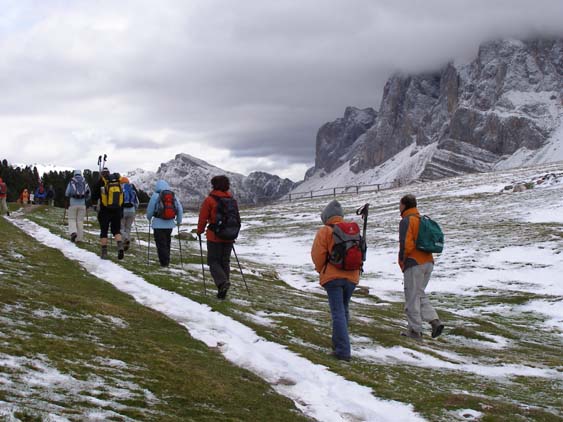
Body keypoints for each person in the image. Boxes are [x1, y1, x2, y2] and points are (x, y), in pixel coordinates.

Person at [311, 200, 360, 361]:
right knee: (344, 310)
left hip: (333, 278)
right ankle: (339, 343)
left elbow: (317, 255)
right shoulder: (352, 231)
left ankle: (342, 351)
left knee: (337, 312)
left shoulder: (325, 231)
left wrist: (322, 270)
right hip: (352, 277)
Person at [398, 194, 444, 341]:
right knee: (419, 293)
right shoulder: (422, 219)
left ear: (405, 205)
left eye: (400, 205)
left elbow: (407, 244)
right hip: (428, 261)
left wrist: (402, 261)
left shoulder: (407, 221)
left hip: (414, 262)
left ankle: (415, 331)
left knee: (411, 297)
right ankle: (434, 321)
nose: (399, 208)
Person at [197, 175, 239, 299]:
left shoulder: (210, 200)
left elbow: (203, 217)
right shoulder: (231, 200)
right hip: (229, 235)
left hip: (214, 236)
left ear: (214, 185)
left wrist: (199, 231)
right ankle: (223, 290)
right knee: (225, 261)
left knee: (213, 261)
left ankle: (222, 283)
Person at [146, 180, 183, 267]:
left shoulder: (155, 196)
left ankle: (164, 262)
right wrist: (178, 221)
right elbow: (180, 209)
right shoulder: (173, 196)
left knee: (160, 243)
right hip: (170, 224)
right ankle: (166, 260)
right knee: (167, 242)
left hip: (158, 224)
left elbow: (150, 210)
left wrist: (149, 218)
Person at [91, 168, 125, 260]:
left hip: (104, 211)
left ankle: (104, 252)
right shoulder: (118, 182)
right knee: (116, 230)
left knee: (104, 231)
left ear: (102, 174)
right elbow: (122, 197)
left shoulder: (101, 182)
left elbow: (94, 196)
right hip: (117, 210)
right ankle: (120, 246)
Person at [65, 169, 91, 243]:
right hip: (82, 204)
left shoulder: (72, 181)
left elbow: (67, 193)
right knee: (80, 221)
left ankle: (73, 232)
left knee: (72, 219)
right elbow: (89, 194)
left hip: (73, 203)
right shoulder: (84, 182)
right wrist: (86, 199)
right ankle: (79, 239)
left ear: (74, 174)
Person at [120, 176, 139, 251]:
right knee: (128, 228)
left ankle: (125, 239)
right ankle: (125, 243)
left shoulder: (121, 190)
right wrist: (134, 209)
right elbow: (137, 202)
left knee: (121, 228)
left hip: (123, 211)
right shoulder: (132, 190)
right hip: (132, 211)